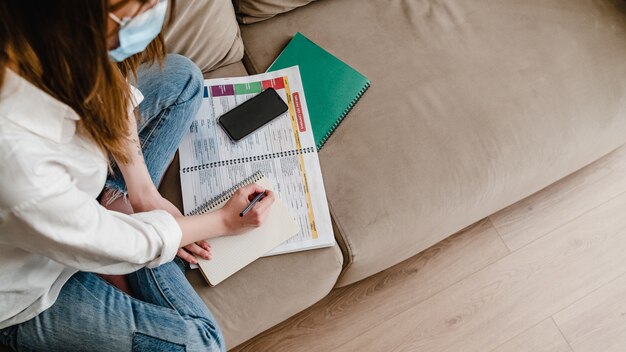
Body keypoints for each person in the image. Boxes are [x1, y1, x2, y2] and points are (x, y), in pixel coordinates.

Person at [0, 0, 275, 351]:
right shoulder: (16, 161)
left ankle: (118, 200)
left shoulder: (47, 43)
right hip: (28, 287)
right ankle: (117, 205)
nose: (155, 9)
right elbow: (116, 243)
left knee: (181, 77)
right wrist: (223, 222)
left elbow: (109, 97)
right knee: (201, 345)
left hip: (74, 205)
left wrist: (144, 192)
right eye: (141, 5)